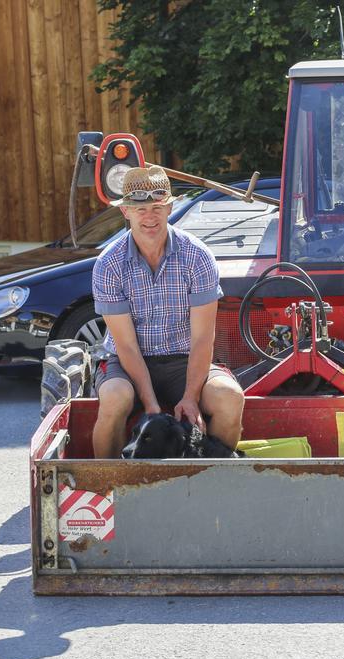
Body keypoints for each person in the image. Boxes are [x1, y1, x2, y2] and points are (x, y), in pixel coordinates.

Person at [91, 165, 245, 458]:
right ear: (125, 212)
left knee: (230, 397)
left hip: (184, 360)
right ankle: (108, 488)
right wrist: (151, 406)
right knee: (113, 398)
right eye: (140, 209)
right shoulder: (108, 264)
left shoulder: (197, 256)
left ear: (170, 207)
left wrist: (191, 396)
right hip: (128, 361)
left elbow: (203, 339)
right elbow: (125, 345)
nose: (149, 216)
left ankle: (209, 480)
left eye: (157, 207)